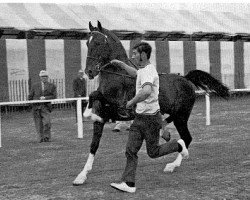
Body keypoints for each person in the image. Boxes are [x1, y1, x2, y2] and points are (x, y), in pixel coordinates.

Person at [110, 42, 189, 193]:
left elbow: (146, 91)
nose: (132, 56)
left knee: (153, 152)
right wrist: (121, 65)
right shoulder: (144, 70)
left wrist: (131, 102)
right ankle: (129, 184)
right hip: (140, 118)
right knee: (130, 150)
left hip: (150, 120)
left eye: (135, 53)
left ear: (143, 55)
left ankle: (178, 145)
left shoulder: (148, 71)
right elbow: (135, 74)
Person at [28, 70, 57, 143]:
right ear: (40, 77)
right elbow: (30, 96)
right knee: (38, 123)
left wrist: (46, 98)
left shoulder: (52, 86)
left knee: (47, 122)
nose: (44, 78)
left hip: (45, 107)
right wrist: (32, 105)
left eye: (45, 76)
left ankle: (47, 137)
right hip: (36, 107)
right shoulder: (35, 86)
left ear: (48, 77)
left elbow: (54, 96)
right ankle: (40, 138)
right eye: (42, 77)